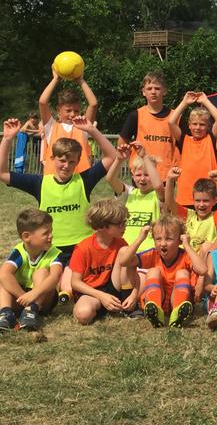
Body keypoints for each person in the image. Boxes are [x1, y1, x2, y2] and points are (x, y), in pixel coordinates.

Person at [0, 116, 117, 301]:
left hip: (81, 249)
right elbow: (3, 173)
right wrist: (7, 139)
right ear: (52, 158)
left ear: (78, 161)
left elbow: (112, 157)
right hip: (50, 249)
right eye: (62, 160)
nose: (66, 166)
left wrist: (92, 131)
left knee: (68, 284)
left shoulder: (84, 180)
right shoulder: (40, 183)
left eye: (72, 162)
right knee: (46, 282)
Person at [126, 213, 207, 328]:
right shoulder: (153, 254)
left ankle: (177, 313)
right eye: (158, 239)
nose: (163, 243)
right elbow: (125, 261)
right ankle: (155, 310)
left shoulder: (185, 256)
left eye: (168, 239)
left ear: (179, 240)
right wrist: (140, 238)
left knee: (182, 273)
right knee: (153, 272)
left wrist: (187, 246)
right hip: (159, 298)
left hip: (179, 300)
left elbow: (203, 270)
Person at [69, 199, 142, 325]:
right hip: (92, 292)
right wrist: (101, 296)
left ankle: (129, 307)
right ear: (102, 226)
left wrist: (134, 295)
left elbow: (133, 273)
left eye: (125, 222)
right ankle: (104, 308)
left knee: (125, 252)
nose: (124, 226)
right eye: (120, 224)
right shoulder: (83, 248)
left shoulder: (121, 244)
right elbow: (75, 282)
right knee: (83, 314)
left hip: (114, 288)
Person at [0, 209, 63, 331]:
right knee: (4, 278)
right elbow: (4, 274)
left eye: (51, 231)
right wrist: (24, 297)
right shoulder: (19, 252)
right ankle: (6, 314)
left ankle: (31, 311)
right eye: (46, 233)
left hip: (43, 300)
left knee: (42, 272)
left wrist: (34, 294)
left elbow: (55, 277)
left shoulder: (53, 253)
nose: (51, 236)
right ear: (26, 237)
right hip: (22, 298)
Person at [117, 72, 180, 179]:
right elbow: (122, 143)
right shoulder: (136, 116)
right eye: (149, 88)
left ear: (165, 91)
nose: (153, 92)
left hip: (166, 175)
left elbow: (185, 145)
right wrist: (134, 161)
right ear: (143, 92)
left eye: (157, 88)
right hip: (142, 175)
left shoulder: (175, 117)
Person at [167, 91, 217, 208]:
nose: (198, 127)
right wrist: (184, 102)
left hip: (208, 195)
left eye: (202, 124)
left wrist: (205, 101)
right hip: (186, 195)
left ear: (208, 126)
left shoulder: (210, 139)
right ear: (189, 125)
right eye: (195, 124)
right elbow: (171, 122)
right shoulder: (184, 140)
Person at [38, 71, 98, 173]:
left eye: (76, 111)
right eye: (68, 110)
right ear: (59, 110)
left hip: (79, 178)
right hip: (53, 178)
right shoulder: (52, 127)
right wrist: (55, 79)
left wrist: (81, 80)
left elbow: (93, 104)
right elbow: (42, 102)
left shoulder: (83, 127)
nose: (73, 114)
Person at [106, 143, 163, 247]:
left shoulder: (159, 195)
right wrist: (119, 160)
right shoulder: (130, 193)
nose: (142, 179)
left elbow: (158, 185)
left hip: (149, 249)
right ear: (133, 177)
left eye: (147, 175)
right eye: (138, 175)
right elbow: (110, 179)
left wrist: (144, 156)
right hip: (126, 247)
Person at [164, 170, 217, 255]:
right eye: (198, 201)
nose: (201, 205)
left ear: (215, 201)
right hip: (187, 258)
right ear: (193, 201)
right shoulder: (188, 215)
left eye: (206, 201)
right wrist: (170, 179)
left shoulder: (215, 217)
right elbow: (169, 202)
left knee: (206, 246)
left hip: (205, 260)